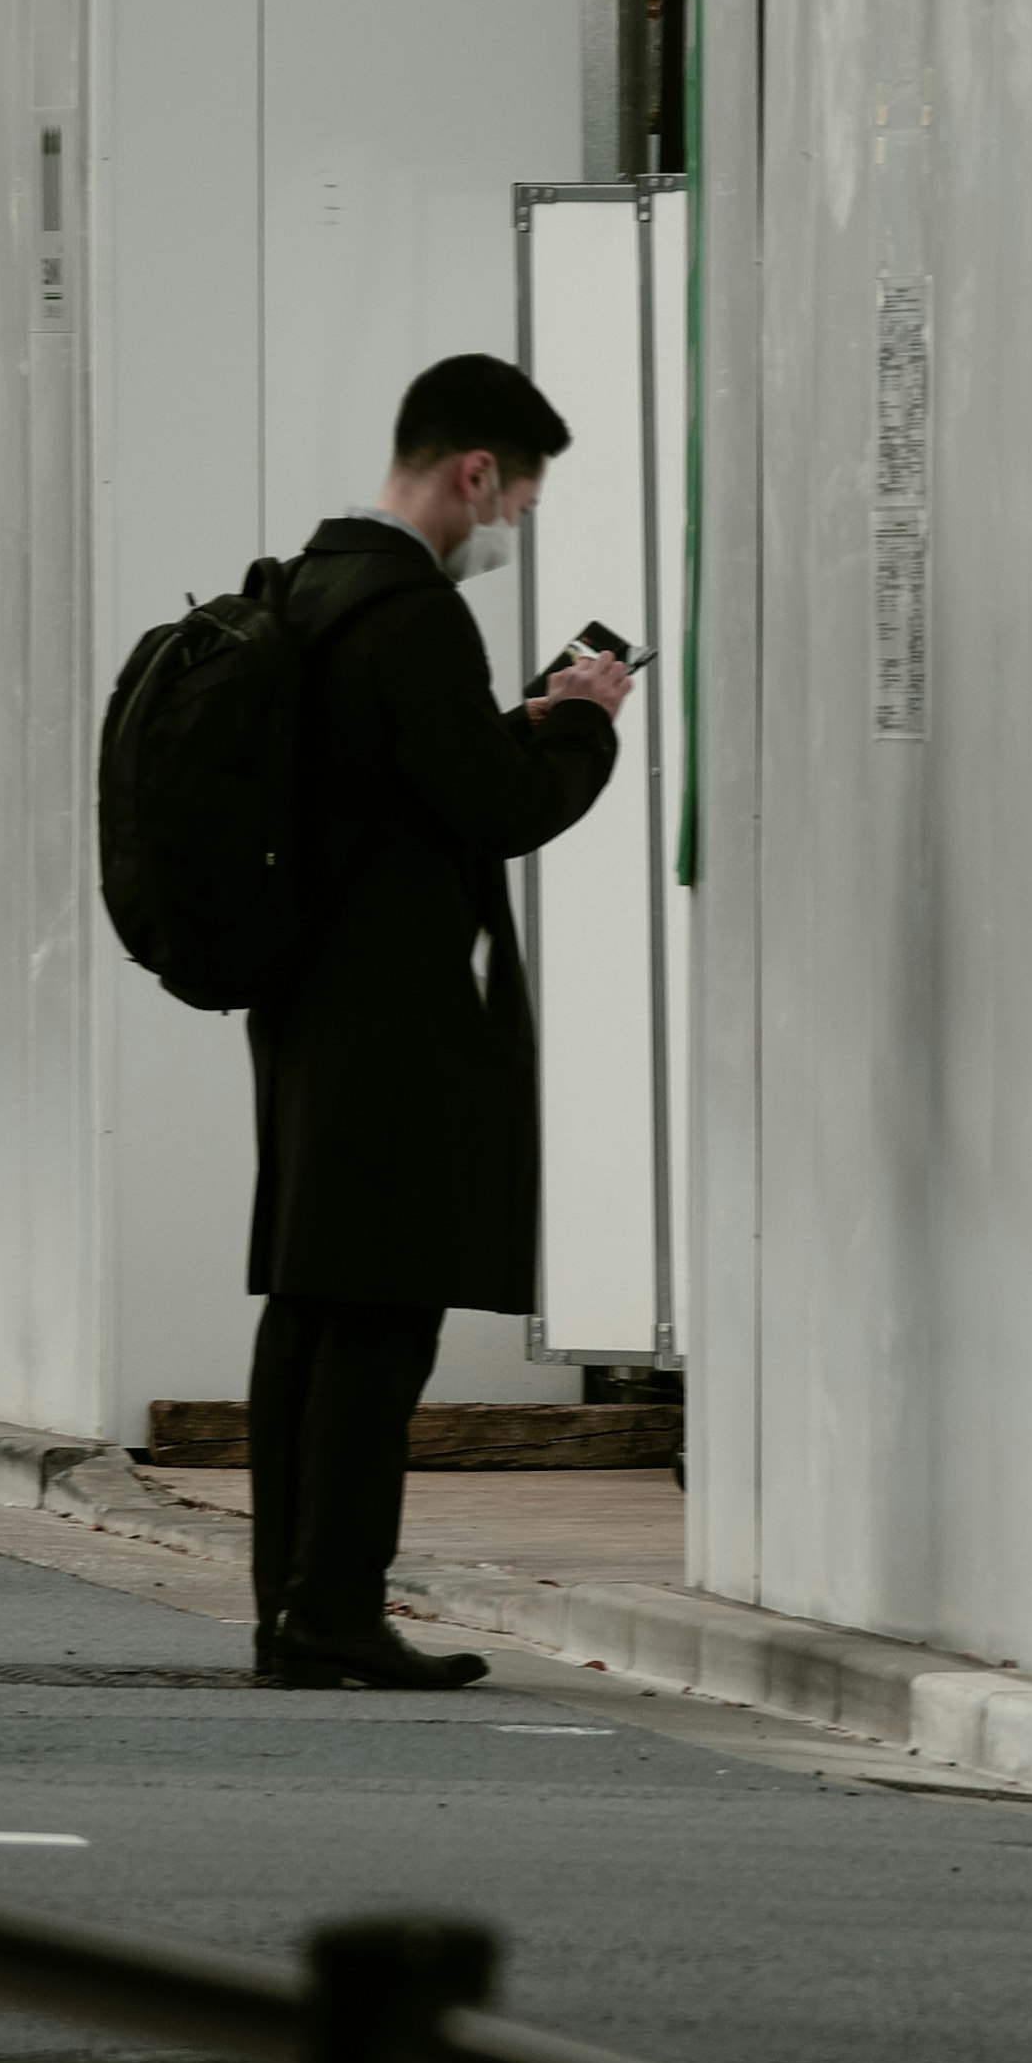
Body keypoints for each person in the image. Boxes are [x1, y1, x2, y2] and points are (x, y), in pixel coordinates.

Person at [245, 356, 634, 1691]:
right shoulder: (413, 613)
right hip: (394, 1010)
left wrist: (504, 723)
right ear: (475, 473)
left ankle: (291, 1608)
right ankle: (339, 1609)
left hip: (305, 999)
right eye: (514, 502)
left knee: (310, 1309)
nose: (506, 528)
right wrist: (581, 729)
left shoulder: (314, 587)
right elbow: (495, 809)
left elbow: (408, 775)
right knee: (382, 1314)